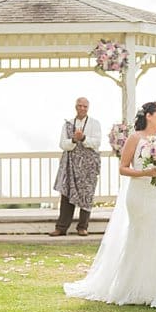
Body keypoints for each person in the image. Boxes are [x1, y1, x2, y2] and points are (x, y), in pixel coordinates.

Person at [64, 102, 156, 309]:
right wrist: (144, 173)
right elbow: (123, 168)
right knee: (140, 238)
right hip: (139, 196)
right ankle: (134, 289)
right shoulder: (135, 138)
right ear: (148, 116)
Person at [49, 97, 102, 237]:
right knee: (67, 193)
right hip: (70, 164)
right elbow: (62, 144)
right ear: (75, 107)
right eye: (80, 106)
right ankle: (61, 228)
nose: (82, 108)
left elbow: (97, 142)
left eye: (85, 106)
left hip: (88, 165)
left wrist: (83, 138)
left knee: (87, 194)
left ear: (88, 108)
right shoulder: (68, 124)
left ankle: (82, 227)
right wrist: (73, 139)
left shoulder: (95, 123)